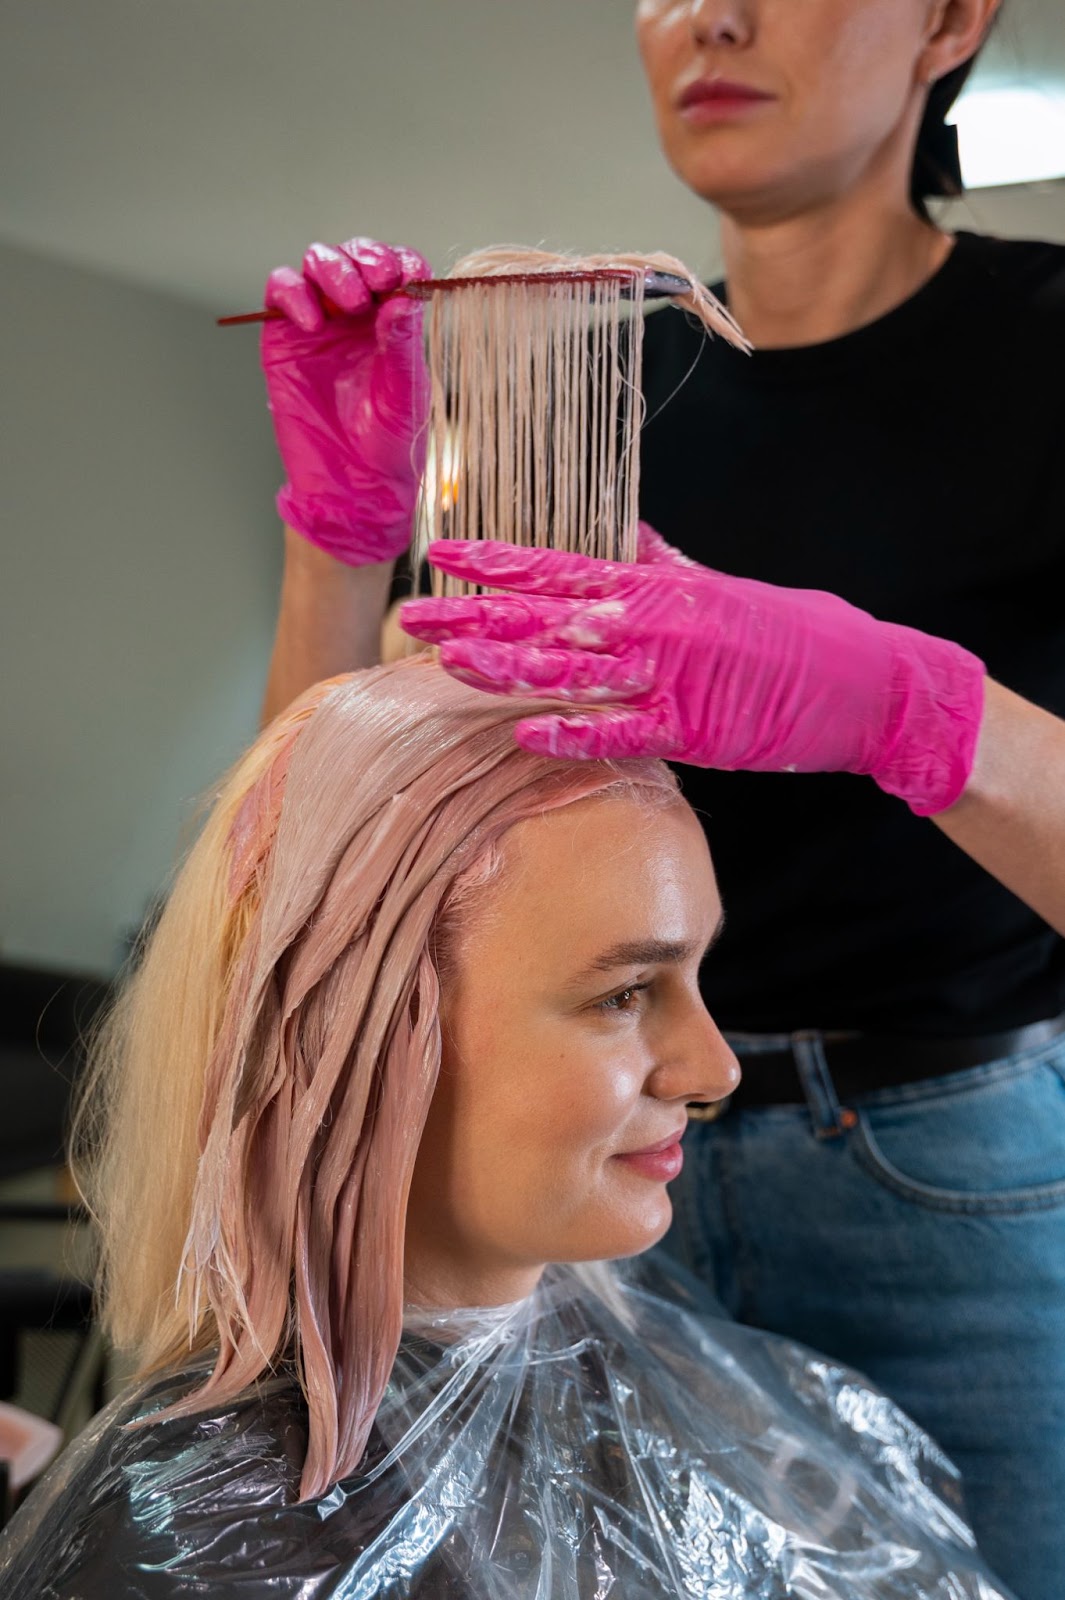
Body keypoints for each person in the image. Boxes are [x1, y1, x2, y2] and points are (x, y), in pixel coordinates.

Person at [252, 5, 1065, 1594]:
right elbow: (320, 872)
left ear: (953, 22)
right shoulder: (571, 403)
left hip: (961, 1182)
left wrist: (909, 709)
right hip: (581, 1172)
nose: (713, 14)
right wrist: (340, 539)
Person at [0, 660, 1016, 1598]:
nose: (716, 1069)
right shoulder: (198, 1538)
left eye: (699, 975)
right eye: (624, 993)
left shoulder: (681, 1379)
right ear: (360, 1035)